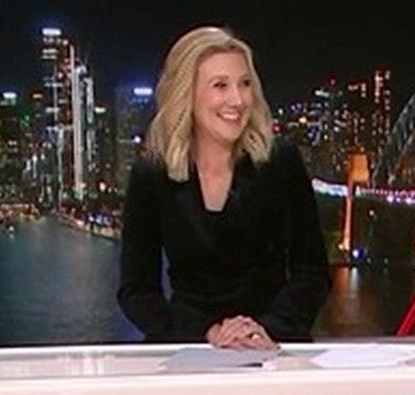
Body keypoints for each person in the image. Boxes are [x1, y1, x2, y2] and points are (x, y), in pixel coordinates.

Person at [118, 26, 328, 349]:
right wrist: (208, 332)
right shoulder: (152, 174)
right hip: (189, 346)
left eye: (245, 84)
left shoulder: (280, 161)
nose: (238, 100)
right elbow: (137, 291)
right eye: (220, 85)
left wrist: (266, 329)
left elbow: (312, 272)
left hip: (272, 343)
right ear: (187, 93)